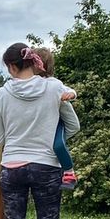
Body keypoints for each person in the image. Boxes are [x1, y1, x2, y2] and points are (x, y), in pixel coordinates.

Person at [0, 42, 81, 219]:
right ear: (32, 61)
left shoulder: (2, 94)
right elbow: (73, 125)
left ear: (11, 66)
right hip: (47, 166)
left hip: (12, 166)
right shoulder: (53, 87)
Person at [32, 46, 79, 189]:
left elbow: (69, 90)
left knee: (57, 144)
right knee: (55, 144)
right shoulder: (31, 84)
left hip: (58, 121)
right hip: (45, 122)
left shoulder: (53, 83)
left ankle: (69, 172)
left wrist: (71, 95)